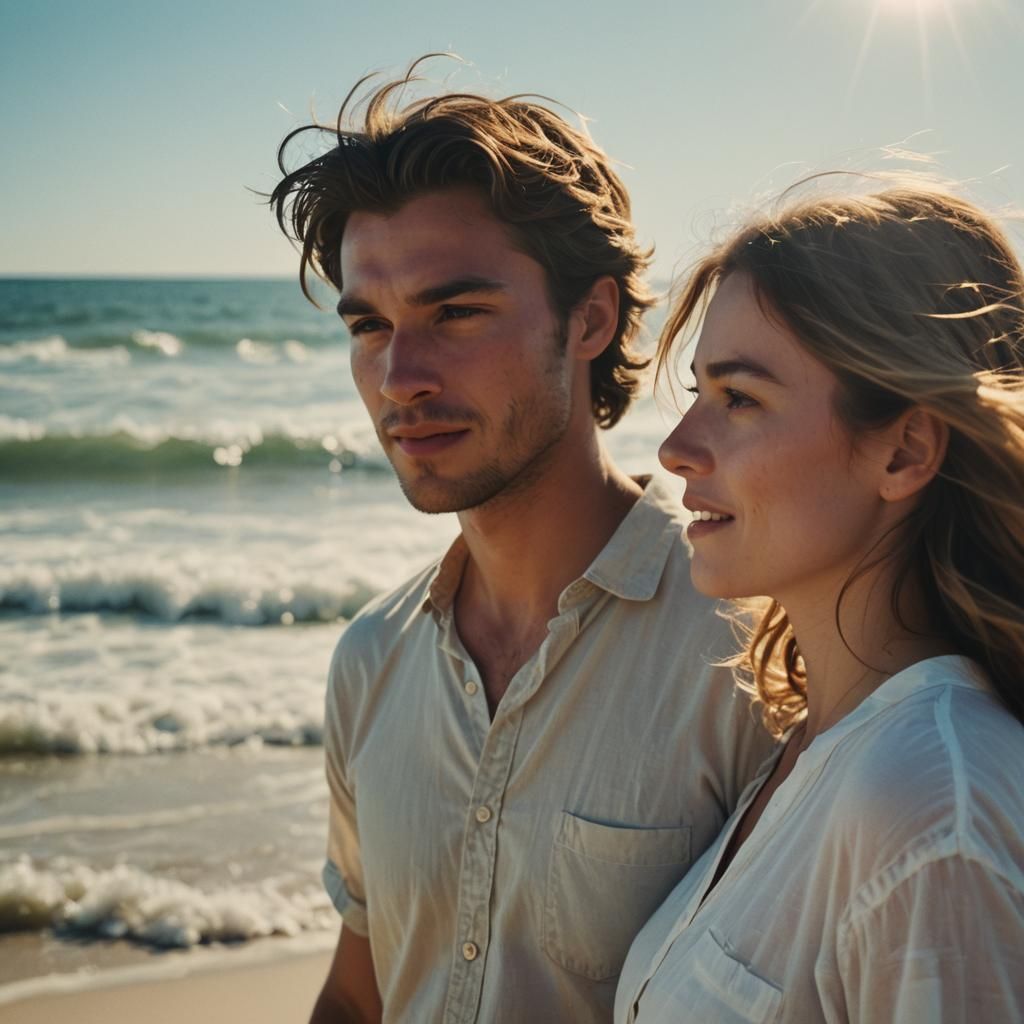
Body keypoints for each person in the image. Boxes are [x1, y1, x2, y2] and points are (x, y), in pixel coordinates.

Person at [270, 60, 774, 1024]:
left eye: (456, 312)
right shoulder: (371, 660)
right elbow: (359, 994)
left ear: (591, 318)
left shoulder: (749, 652)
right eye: (369, 326)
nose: (399, 376)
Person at [616, 180, 1024, 1023]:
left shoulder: (930, 807)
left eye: (740, 398)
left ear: (904, 452)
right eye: (698, 393)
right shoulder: (819, 742)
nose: (677, 449)